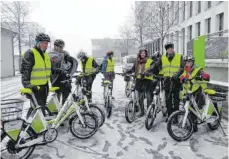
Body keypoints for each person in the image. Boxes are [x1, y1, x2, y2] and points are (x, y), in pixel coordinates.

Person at [145, 42, 184, 120]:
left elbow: (182, 67)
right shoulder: (163, 58)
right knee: (168, 100)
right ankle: (170, 116)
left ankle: (175, 117)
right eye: (168, 49)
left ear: (173, 49)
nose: (170, 50)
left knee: (176, 100)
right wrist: (148, 70)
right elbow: (155, 65)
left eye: (171, 48)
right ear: (166, 50)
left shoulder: (179, 56)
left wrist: (176, 74)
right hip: (167, 81)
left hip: (176, 81)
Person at [21, 33, 51, 116]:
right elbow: (25, 72)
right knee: (37, 109)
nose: (46, 45)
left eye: (47, 43)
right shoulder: (30, 53)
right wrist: (28, 85)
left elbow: (49, 69)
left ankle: (40, 126)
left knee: (42, 108)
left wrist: (60, 71)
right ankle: (31, 127)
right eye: (44, 42)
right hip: (35, 88)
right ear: (37, 42)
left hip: (44, 86)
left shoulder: (45, 54)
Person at [180, 55, 210, 132]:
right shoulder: (186, 69)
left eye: (189, 62)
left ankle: (194, 126)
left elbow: (206, 76)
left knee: (194, 108)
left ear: (193, 62)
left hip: (197, 91)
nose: (187, 64)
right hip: (188, 91)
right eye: (186, 62)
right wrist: (182, 79)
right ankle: (189, 123)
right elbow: (182, 76)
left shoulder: (198, 69)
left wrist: (203, 76)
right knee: (187, 107)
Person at [125, 48, 154, 117]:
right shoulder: (137, 61)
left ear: (146, 54)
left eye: (144, 53)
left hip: (147, 80)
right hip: (139, 80)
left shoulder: (150, 61)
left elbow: (153, 69)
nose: (142, 54)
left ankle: (149, 112)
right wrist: (127, 72)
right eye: (141, 53)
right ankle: (142, 111)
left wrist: (148, 73)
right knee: (140, 98)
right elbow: (133, 69)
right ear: (140, 54)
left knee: (149, 97)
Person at [49, 39, 78, 106]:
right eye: (59, 47)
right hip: (55, 79)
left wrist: (70, 72)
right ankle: (56, 110)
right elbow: (49, 67)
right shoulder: (50, 55)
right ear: (55, 46)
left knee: (66, 95)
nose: (61, 48)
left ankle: (64, 110)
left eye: (62, 47)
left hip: (65, 78)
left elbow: (71, 64)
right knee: (57, 95)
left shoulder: (65, 54)